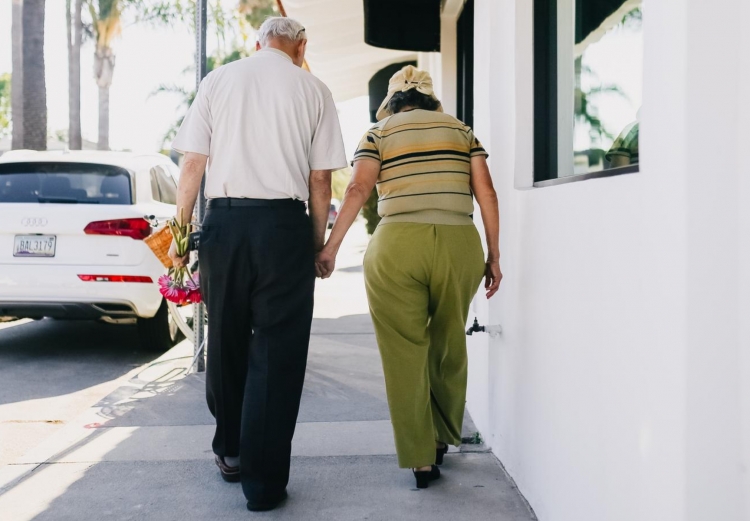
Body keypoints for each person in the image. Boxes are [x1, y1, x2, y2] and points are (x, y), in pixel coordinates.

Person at [169, 17, 347, 511]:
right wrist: (314, 244)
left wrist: (182, 236)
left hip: (224, 226)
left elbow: (191, 166)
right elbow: (320, 181)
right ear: (300, 46)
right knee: (277, 352)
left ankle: (230, 452)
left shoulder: (218, 80)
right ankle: (264, 485)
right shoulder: (314, 89)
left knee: (226, 338)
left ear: (257, 43)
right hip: (284, 228)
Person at [315, 65, 502, 489]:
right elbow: (486, 192)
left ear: (392, 103)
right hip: (458, 243)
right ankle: (440, 436)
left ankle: (420, 460)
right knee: (448, 340)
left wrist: (330, 248)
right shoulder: (462, 131)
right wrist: (494, 254)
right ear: (432, 100)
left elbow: (359, 189)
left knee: (404, 353)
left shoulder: (378, 133)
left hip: (396, 246)